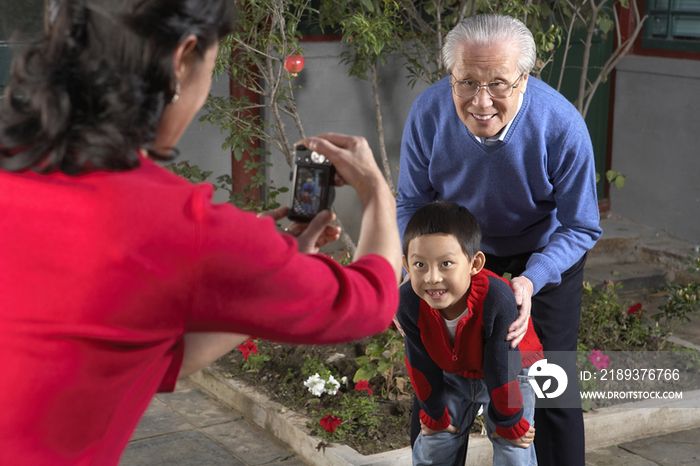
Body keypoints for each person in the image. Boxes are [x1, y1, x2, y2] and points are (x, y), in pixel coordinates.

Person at [0, 1, 402, 465]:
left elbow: (143, 361)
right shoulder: (179, 224)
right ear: (182, 58)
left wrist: (248, 283)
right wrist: (377, 195)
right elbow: (369, 300)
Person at [396, 14, 603, 466]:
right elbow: (412, 202)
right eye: (466, 82)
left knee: (551, 383)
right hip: (457, 255)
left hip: (542, 251)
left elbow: (582, 225)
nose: (480, 101)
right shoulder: (429, 113)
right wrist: (413, 268)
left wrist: (532, 279)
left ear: (524, 79)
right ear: (450, 75)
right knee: (437, 373)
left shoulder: (561, 125)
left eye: (498, 84)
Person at [398, 201, 543, 466]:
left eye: (445, 264)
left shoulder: (497, 298)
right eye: (419, 265)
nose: (431, 278)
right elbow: (419, 360)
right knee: (435, 443)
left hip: (513, 370)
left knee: (513, 449)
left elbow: (502, 364)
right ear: (406, 264)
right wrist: (435, 414)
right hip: (454, 369)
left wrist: (509, 422)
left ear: (474, 263)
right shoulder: (408, 302)